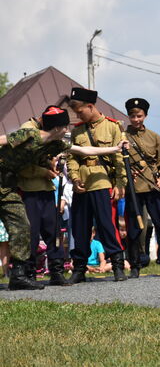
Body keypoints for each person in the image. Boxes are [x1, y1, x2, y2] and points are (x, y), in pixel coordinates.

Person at [0, 107, 125, 290]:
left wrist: (115, 148)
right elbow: (2, 140)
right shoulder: (28, 133)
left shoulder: (55, 144)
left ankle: (18, 276)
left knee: (22, 226)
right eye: (65, 127)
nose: (67, 131)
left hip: (8, 186)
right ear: (57, 128)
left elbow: (84, 150)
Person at [66, 87, 128, 283]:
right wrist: (75, 179)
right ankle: (79, 268)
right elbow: (72, 158)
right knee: (80, 228)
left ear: (91, 106)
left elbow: (120, 158)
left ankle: (118, 265)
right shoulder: (77, 130)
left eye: (80, 111)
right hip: (83, 184)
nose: (78, 115)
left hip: (103, 182)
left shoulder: (112, 126)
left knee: (107, 226)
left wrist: (120, 183)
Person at [123, 98, 160, 278]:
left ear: (145, 116)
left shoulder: (154, 137)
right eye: (132, 116)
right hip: (133, 189)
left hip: (153, 187)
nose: (136, 119)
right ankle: (135, 265)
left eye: (139, 116)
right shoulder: (122, 137)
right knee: (133, 228)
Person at [17, 106, 69, 285]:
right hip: (29, 190)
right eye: (63, 128)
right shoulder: (28, 131)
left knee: (53, 231)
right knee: (31, 234)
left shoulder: (46, 132)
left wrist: (52, 164)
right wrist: (44, 172)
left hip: (46, 190)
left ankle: (57, 271)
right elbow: (22, 166)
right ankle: (29, 274)